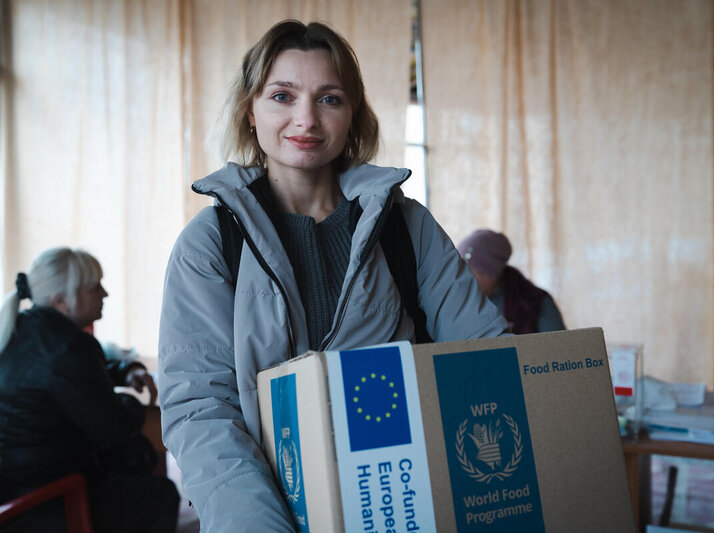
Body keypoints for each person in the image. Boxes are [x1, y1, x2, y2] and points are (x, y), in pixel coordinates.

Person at [158, 19, 507, 532]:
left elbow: (486, 356)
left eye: (329, 99)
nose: (306, 119)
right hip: (270, 510)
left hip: (406, 504)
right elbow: (201, 409)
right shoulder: (210, 243)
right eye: (282, 95)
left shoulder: (407, 226)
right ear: (249, 112)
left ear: (351, 117)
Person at [0, 247, 179, 533]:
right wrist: (131, 402)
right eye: (95, 287)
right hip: (49, 501)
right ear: (62, 302)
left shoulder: (21, 330)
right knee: (159, 493)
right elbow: (115, 430)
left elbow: (83, 373)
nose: (105, 294)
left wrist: (127, 370)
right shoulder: (67, 348)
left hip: (13, 495)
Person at [457, 229, 566, 334]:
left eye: (472, 272)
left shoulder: (537, 303)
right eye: (461, 271)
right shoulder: (459, 303)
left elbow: (559, 348)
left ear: (491, 274)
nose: (464, 279)